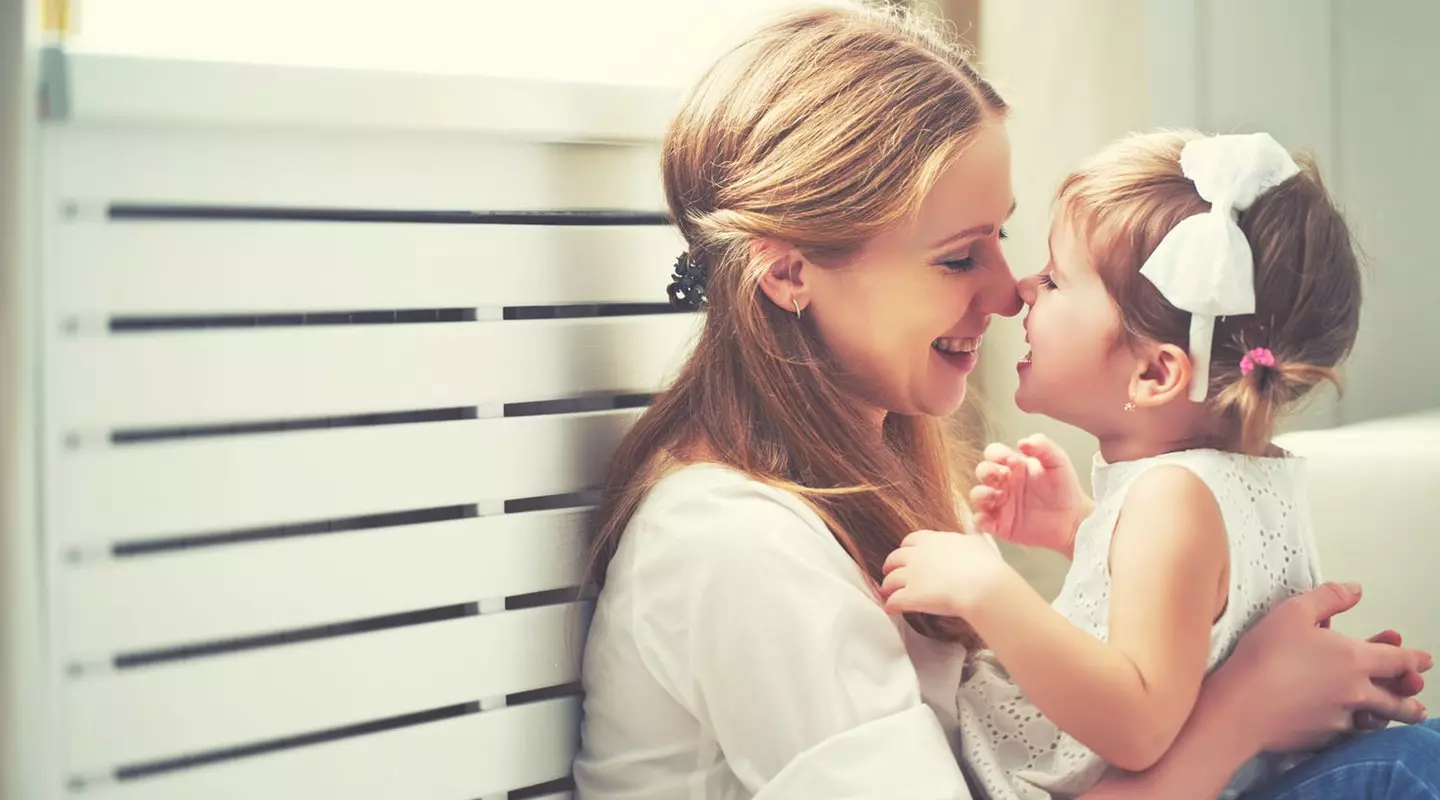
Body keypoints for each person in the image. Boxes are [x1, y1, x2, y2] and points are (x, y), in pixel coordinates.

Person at [572, 5, 1432, 799]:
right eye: (957, 257)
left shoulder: (889, 485)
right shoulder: (736, 545)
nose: (1008, 292)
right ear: (791, 272)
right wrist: (1247, 709)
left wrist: (1097, 541)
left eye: (1004, 238)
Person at [878, 129, 1369, 798]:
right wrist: (1083, 529)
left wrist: (988, 591)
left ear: (1154, 374)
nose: (1022, 289)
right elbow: (1196, 623)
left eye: (1055, 279)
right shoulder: (1244, 479)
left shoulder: (1170, 499)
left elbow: (1138, 724)